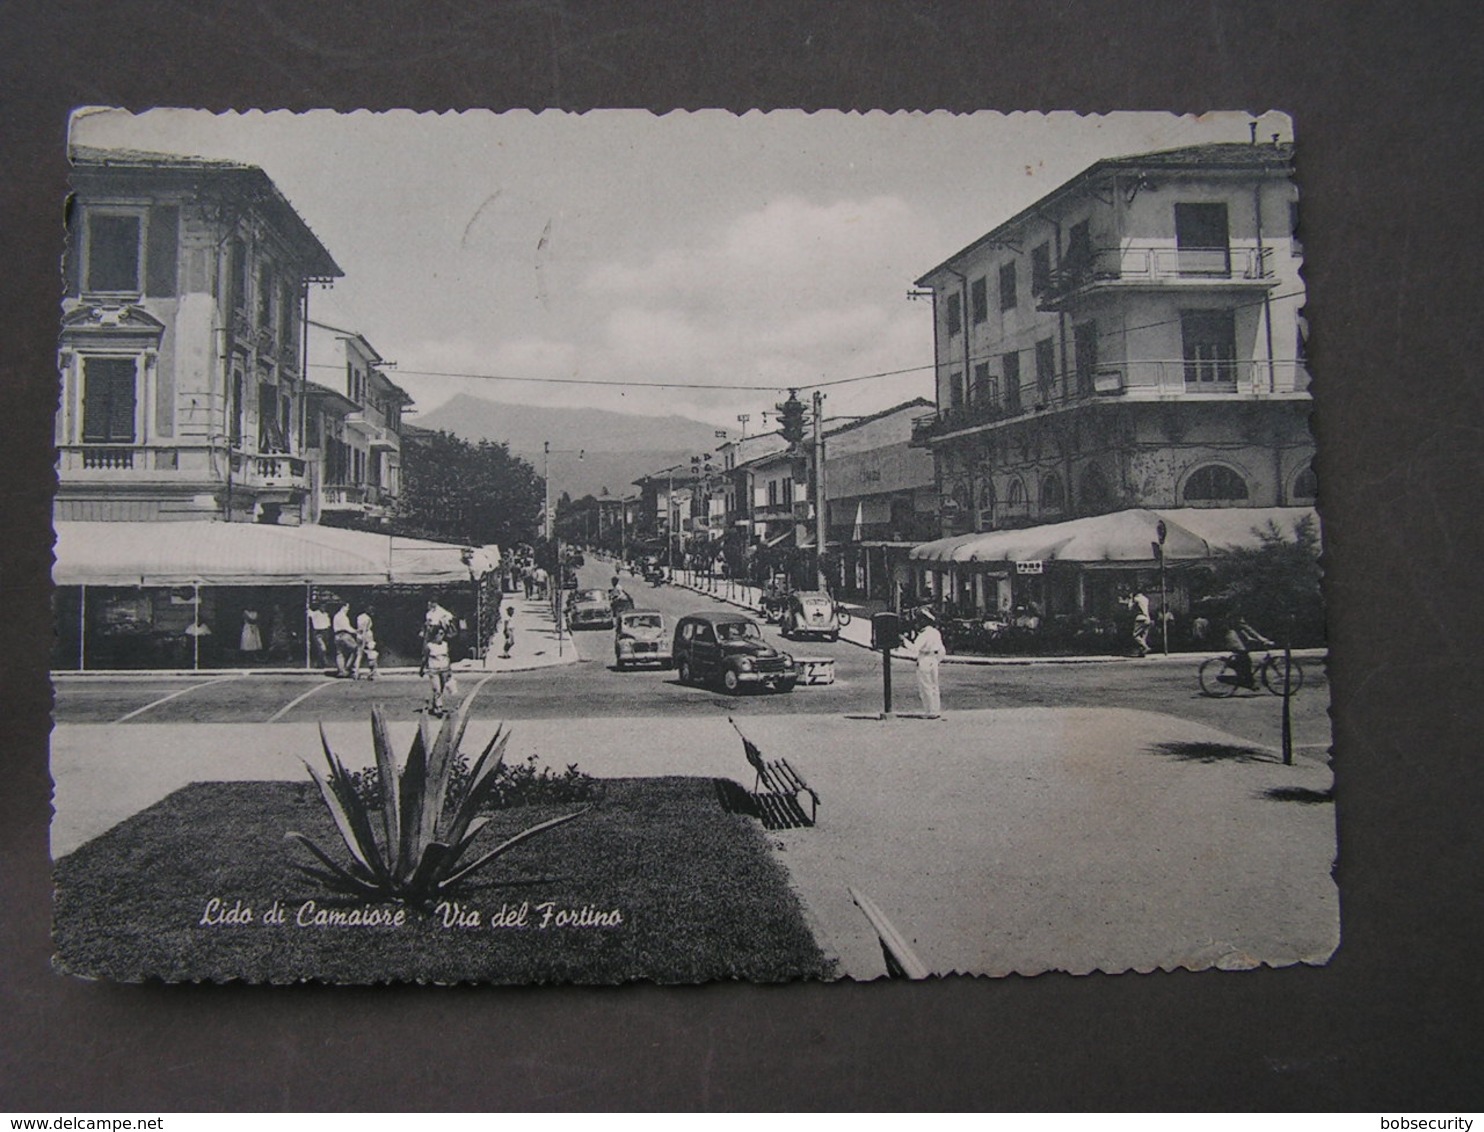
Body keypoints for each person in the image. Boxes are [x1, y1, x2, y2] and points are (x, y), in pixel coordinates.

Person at [1222, 613, 1274, 690]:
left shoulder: (1233, 608)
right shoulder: (1235, 609)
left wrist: (1248, 637)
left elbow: (1238, 626)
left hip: (1231, 633)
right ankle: (1246, 681)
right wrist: (1260, 638)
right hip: (1227, 634)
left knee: (1244, 658)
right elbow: (1244, 626)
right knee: (1243, 654)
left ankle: (1241, 673)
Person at [911, 607, 947, 719]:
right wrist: (937, 660)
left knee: (925, 686)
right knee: (934, 686)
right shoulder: (936, 632)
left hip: (924, 659)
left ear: (924, 621)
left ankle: (929, 711)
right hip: (934, 659)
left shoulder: (924, 634)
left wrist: (904, 641)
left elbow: (914, 648)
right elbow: (942, 650)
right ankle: (936, 710)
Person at [422, 626, 453, 715]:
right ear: (435, 635)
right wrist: (422, 669)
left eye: (443, 634)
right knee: (437, 689)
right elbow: (425, 658)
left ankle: (435, 704)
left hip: (444, 670)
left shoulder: (445, 645)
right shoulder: (429, 646)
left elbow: (447, 657)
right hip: (433, 670)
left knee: (441, 688)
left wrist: (450, 670)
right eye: (439, 634)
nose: (441, 636)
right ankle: (439, 707)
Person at [332, 602, 357, 677]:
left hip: (337, 636)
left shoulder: (336, 616)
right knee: (355, 649)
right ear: (343, 607)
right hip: (345, 635)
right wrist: (356, 631)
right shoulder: (343, 616)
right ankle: (347, 668)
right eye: (347, 607)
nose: (348, 609)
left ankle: (341, 671)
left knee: (339, 653)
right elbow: (347, 627)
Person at [353, 606, 378, 680]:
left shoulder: (360, 617)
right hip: (366, 636)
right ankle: (371, 672)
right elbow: (364, 629)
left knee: (359, 655)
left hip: (359, 636)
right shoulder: (367, 618)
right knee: (371, 654)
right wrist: (365, 639)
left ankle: (356, 671)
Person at [1126, 588, 1152, 657]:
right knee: (1143, 636)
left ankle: (1145, 647)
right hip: (1147, 618)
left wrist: (1131, 599)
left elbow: (1130, 608)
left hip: (1140, 618)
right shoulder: (1146, 599)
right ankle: (1142, 653)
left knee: (1135, 635)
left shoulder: (1136, 599)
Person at [307, 602, 332, 669]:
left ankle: (320, 663)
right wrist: (307, 608)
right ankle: (324, 662)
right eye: (322, 606)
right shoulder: (316, 613)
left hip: (325, 632)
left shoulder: (326, 614)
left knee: (321, 649)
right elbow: (309, 613)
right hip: (318, 632)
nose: (324, 608)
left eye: (325, 607)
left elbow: (328, 624)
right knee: (322, 648)